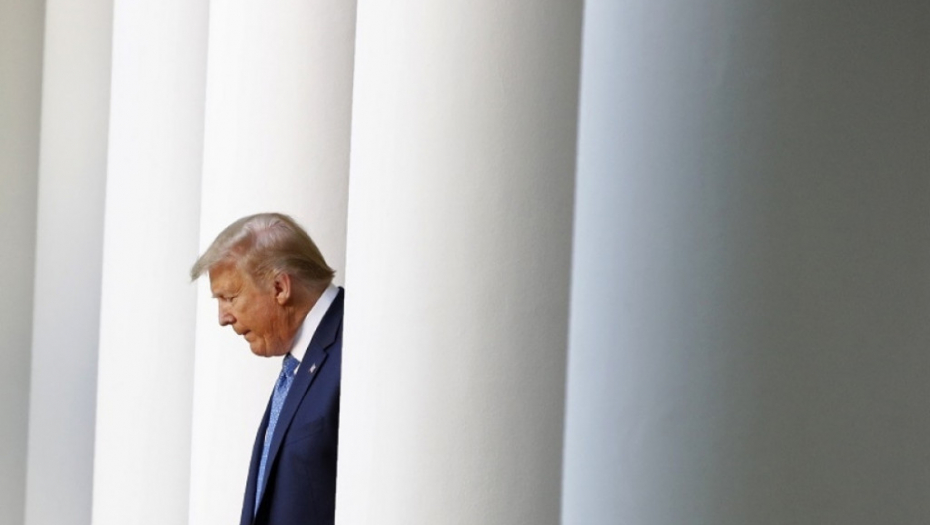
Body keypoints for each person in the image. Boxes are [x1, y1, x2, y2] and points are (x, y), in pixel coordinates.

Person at [190, 212, 343, 525]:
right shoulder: (300, 361)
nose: (223, 318)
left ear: (280, 288)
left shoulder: (356, 347)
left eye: (230, 297)